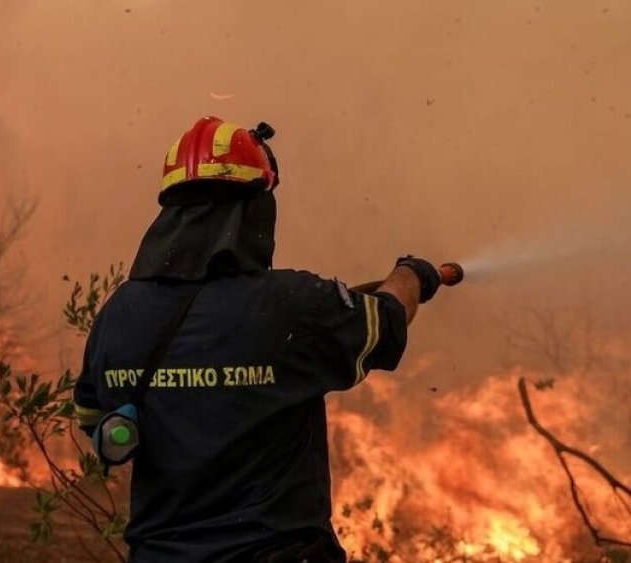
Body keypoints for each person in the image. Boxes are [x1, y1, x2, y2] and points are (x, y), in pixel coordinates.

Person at [72, 116, 441, 562]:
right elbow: (386, 324)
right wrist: (411, 273)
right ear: (253, 213)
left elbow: (96, 421)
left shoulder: (119, 314)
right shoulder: (290, 304)